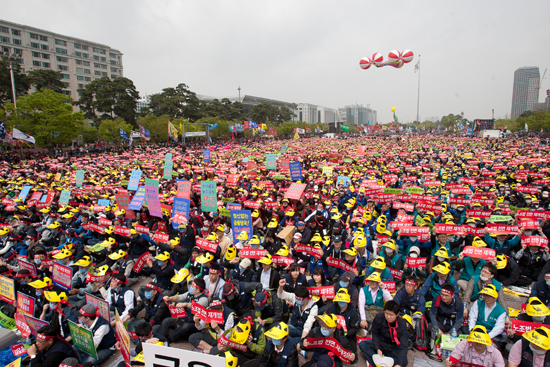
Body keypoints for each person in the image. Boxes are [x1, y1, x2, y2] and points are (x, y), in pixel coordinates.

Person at [359, 300, 408, 367]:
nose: (388, 317)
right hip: (381, 344)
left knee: (403, 361)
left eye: (391, 315)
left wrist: (399, 365)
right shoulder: (379, 317)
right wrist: (377, 348)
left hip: (393, 348)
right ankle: (378, 363)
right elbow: (375, 334)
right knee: (363, 344)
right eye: (386, 313)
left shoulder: (402, 324)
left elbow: (404, 345)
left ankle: (377, 361)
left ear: (397, 315)